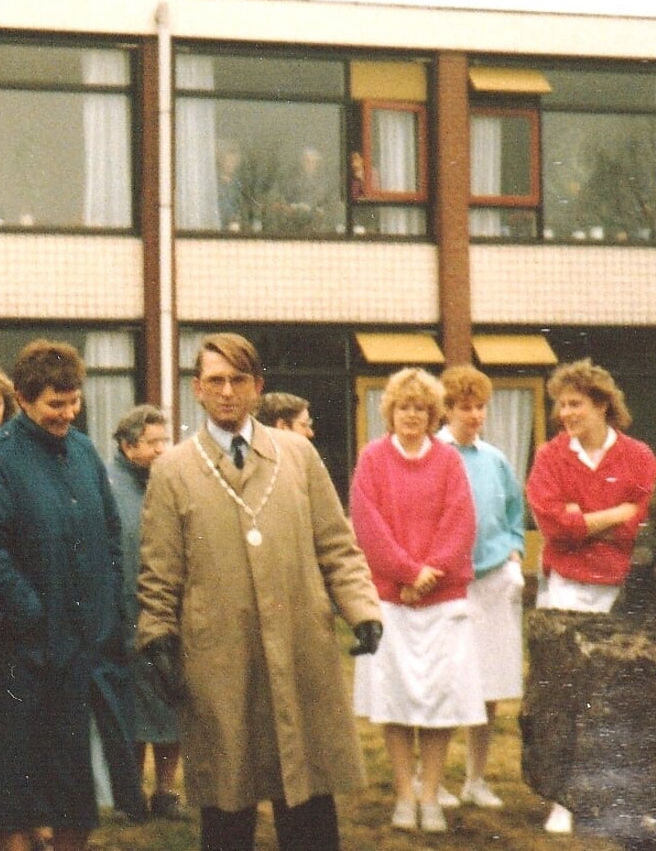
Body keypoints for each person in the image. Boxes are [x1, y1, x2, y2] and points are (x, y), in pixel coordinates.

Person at [135, 333, 380, 851]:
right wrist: (157, 637)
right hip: (221, 654)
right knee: (228, 798)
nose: (227, 391)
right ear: (198, 389)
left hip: (299, 646)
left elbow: (336, 545)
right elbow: (159, 573)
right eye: (216, 381)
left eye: (238, 380)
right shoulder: (173, 470)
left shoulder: (297, 455)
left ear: (257, 387)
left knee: (308, 795)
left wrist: (361, 610)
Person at [0, 340, 144, 851]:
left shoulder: (83, 451)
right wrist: (33, 614)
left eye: (74, 402)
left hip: (83, 648)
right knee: (18, 785)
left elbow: (109, 532)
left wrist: (108, 607)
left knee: (75, 784)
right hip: (22, 653)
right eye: (56, 404)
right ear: (24, 398)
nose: (67, 414)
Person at [527, 358, 656, 836]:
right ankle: (564, 799)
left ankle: (617, 798)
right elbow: (554, 527)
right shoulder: (549, 457)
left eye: (575, 403)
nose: (565, 413)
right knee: (565, 693)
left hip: (620, 592)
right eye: (560, 405)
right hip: (566, 588)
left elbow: (646, 523)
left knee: (618, 696)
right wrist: (614, 513)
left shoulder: (639, 456)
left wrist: (585, 517)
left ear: (603, 404)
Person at [348, 367, 482, 835]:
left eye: (421, 408)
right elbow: (367, 524)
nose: (412, 415)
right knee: (397, 698)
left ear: (432, 414)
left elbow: (460, 520)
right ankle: (405, 794)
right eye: (404, 407)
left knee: (441, 699)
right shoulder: (372, 460)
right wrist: (407, 572)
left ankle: (431, 796)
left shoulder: (448, 461)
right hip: (392, 599)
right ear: (390, 410)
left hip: (442, 599)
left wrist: (429, 575)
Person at [433, 365, 528, 810]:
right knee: (447, 681)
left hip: (492, 582)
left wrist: (514, 552)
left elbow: (514, 516)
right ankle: (427, 777)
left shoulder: (496, 460)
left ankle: (476, 778)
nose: (474, 415)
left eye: (479, 407)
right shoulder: (434, 456)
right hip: (450, 586)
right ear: (446, 410)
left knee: (489, 684)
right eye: (464, 407)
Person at [106, 404, 183, 820]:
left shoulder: (172, 480)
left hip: (170, 614)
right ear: (127, 444)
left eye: (164, 441)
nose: (160, 450)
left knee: (172, 702)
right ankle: (130, 792)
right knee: (129, 708)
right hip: (123, 615)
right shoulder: (107, 483)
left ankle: (167, 791)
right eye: (152, 442)